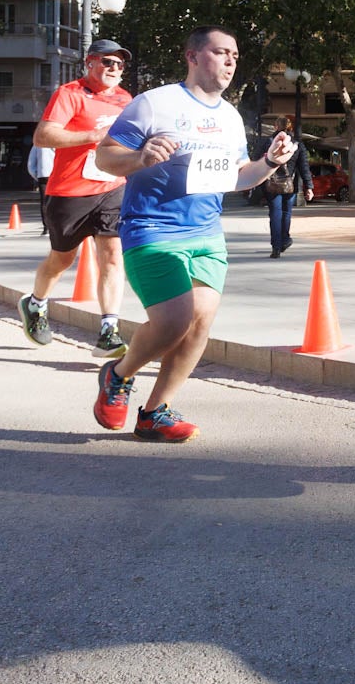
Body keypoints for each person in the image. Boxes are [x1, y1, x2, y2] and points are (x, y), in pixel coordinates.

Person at [89, 26, 297, 443]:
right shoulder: (154, 104)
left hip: (205, 233)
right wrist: (139, 156)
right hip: (152, 228)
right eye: (221, 53)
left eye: (235, 55)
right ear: (193, 56)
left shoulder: (230, 116)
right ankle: (118, 375)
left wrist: (270, 162)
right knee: (173, 322)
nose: (230, 61)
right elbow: (104, 157)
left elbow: (239, 178)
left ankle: (154, 413)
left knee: (199, 324)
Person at [17, 40, 135, 357]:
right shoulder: (70, 94)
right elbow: (43, 136)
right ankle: (36, 304)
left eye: (120, 65)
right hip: (69, 192)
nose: (114, 69)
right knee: (61, 260)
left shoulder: (126, 100)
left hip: (112, 189)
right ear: (90, 62)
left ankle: (109, 330)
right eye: (108, 62)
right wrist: (93, 137)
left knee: (112, 256)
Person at [264, 116, 313, 258]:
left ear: (275, 127)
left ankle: (276, 246)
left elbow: (257, 160)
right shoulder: (296, 144)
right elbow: (304, 167)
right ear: (290, 127)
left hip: (271, 184)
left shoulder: (268, 142)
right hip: (290, 185)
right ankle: (284, 239)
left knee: (275, 214)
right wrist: (308, 186)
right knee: (286, 213)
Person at [26, 143, 54, 235]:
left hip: (43, 174)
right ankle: (58, 225)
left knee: (45, 202)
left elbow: (31, 163)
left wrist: (37, 175)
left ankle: (47, 227)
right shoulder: (62, 140)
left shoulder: (39, 143)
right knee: (61, 201)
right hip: (59, 175)